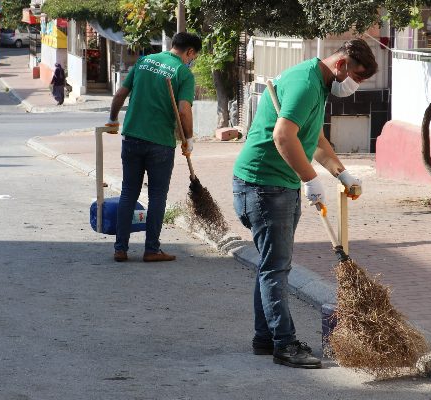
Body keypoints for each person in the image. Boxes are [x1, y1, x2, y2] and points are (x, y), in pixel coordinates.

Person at [232, 39, 378, 368]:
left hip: (273, 184)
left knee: (272, 264)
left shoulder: (319, 82)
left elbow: (313, 137)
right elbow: (283, 135)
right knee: (276, 268)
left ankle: (265, 337)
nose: (356, 86)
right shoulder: (305, 83)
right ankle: (285, 345)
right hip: (263, 185)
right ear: (341, 65)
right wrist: (311, 179)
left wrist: (342, 174)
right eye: (357, 77)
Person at [106, 32, 201, 263]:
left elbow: (120, 94)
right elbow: (183, 111)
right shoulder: (183, 73)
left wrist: (113, 119)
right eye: (193, 56)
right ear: (189, 52)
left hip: (132, 137)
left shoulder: (144, 61)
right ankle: (152, 249)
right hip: (160, 143)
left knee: (129, 191)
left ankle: (120, 248)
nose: (191, 60)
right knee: (157, 195)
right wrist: (188, 138)